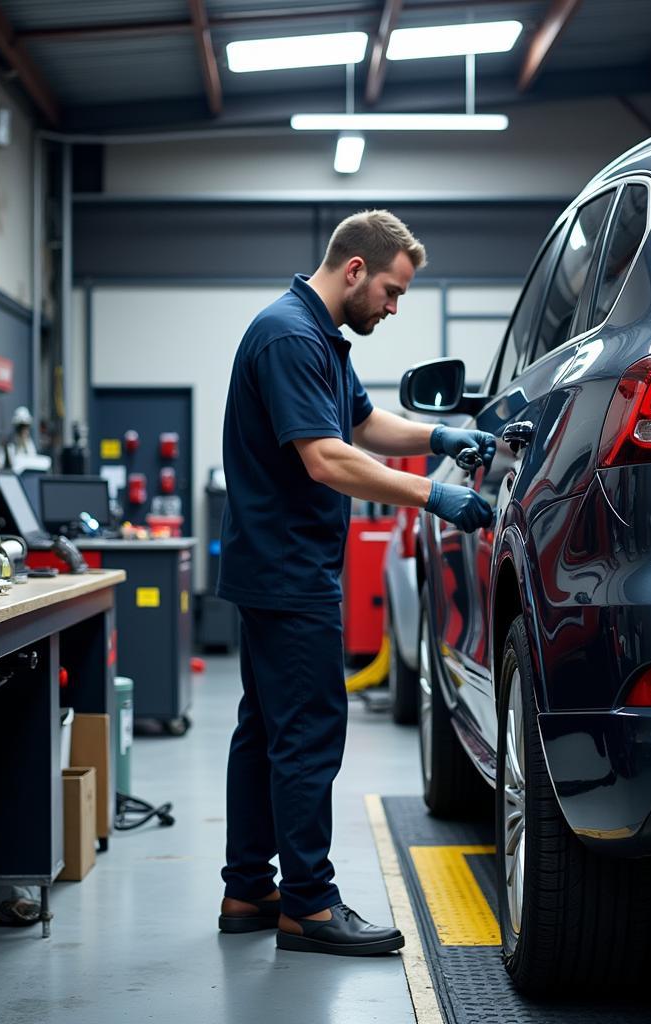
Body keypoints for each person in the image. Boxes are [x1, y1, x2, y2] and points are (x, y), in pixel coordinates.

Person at [217, 209, 494, 957]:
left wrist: (439, 437)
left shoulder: (318, 338)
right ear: (354, 271)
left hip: (277, 566)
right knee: (307, 736)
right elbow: (327, 460)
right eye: (393, 292)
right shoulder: (290, 337)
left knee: (265, 730)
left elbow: (363, 427)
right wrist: (435, 495)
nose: (395, 307)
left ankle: (248, 887)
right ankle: (308, 905)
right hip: (289, 572)